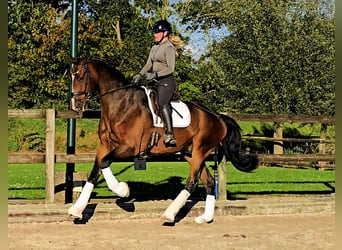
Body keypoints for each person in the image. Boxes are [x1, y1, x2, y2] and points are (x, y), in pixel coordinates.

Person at [133, 20, 184, 147]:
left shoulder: (169, 48)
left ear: (165, 33)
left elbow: (170, 68)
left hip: (166, 81)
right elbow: (148, 65)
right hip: (154, 81)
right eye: (154, 32)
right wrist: (139, 75)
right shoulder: (154, 47)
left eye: (157, 32)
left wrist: (155, 74)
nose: (154, 34)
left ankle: (170, 134)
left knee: (161, 102)